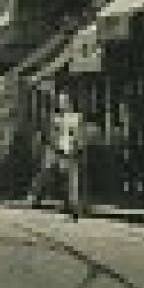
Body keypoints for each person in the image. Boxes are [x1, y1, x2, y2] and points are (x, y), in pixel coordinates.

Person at [30, 90, 86, 219]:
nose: (62, 105)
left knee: (72, 178)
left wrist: (78, 147)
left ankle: (72, 205)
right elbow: (50, 134)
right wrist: (53, 145)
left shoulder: (76, 118)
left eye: (64, 102)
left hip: (70, 150)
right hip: (55, 149)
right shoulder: (55, 118)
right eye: (60, 102)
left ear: (70, 103)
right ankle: (36, 196)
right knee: (45, 172)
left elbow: (80, 134)